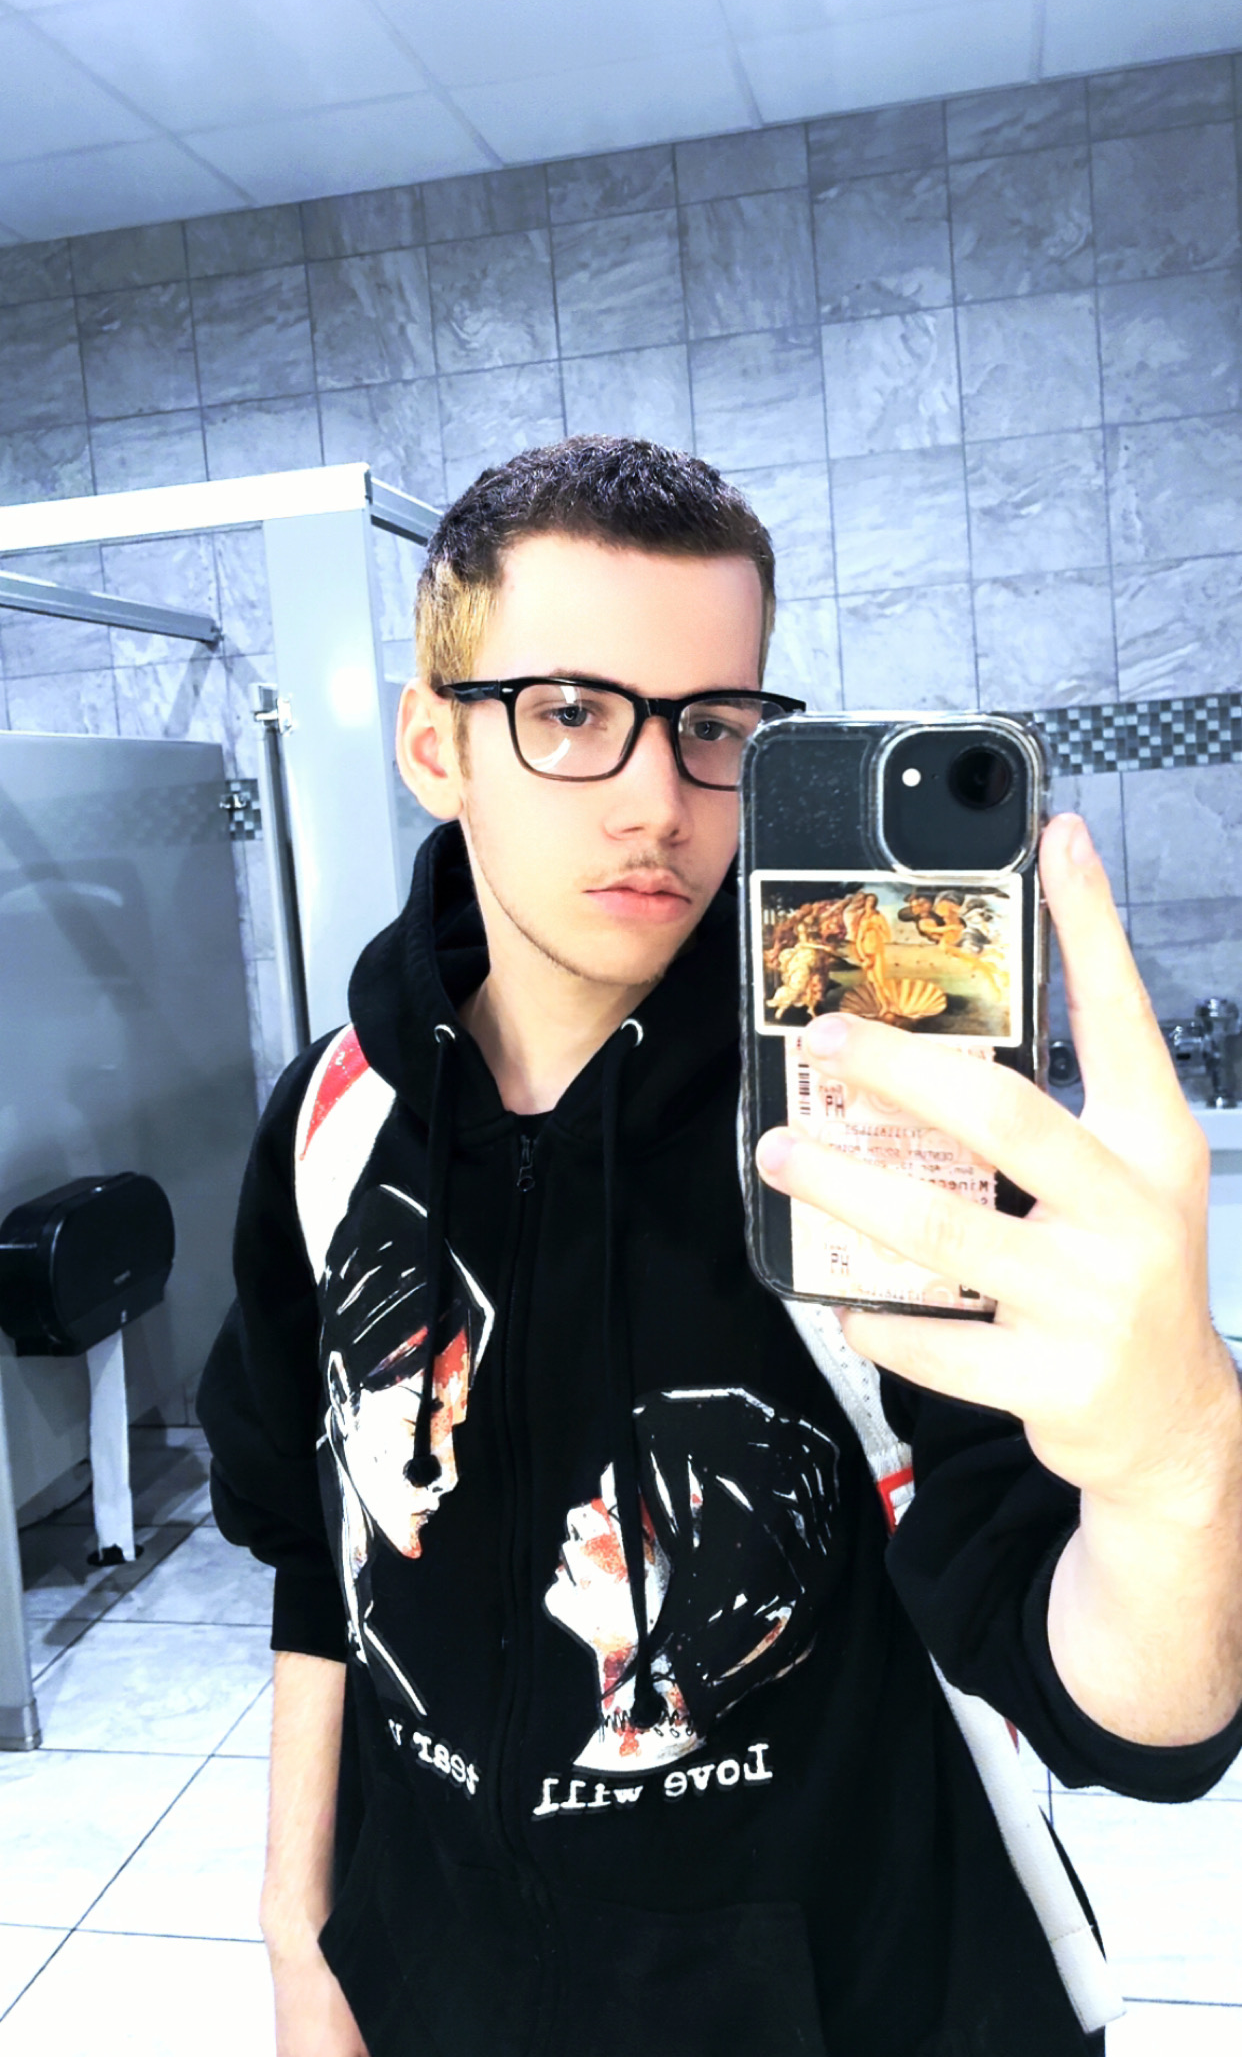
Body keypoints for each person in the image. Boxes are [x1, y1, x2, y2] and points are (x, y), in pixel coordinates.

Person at [198, 435, 1242, 2057]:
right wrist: (295, 1929)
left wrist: (1177, 1469)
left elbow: (1137, 1724)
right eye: (567, 712)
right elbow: (312, 1547)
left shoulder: (873, 1127)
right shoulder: (332, 1121)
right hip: (433, 1985)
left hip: (849, 2004)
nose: (656, 801)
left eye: (709, 726)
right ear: (433, 744)